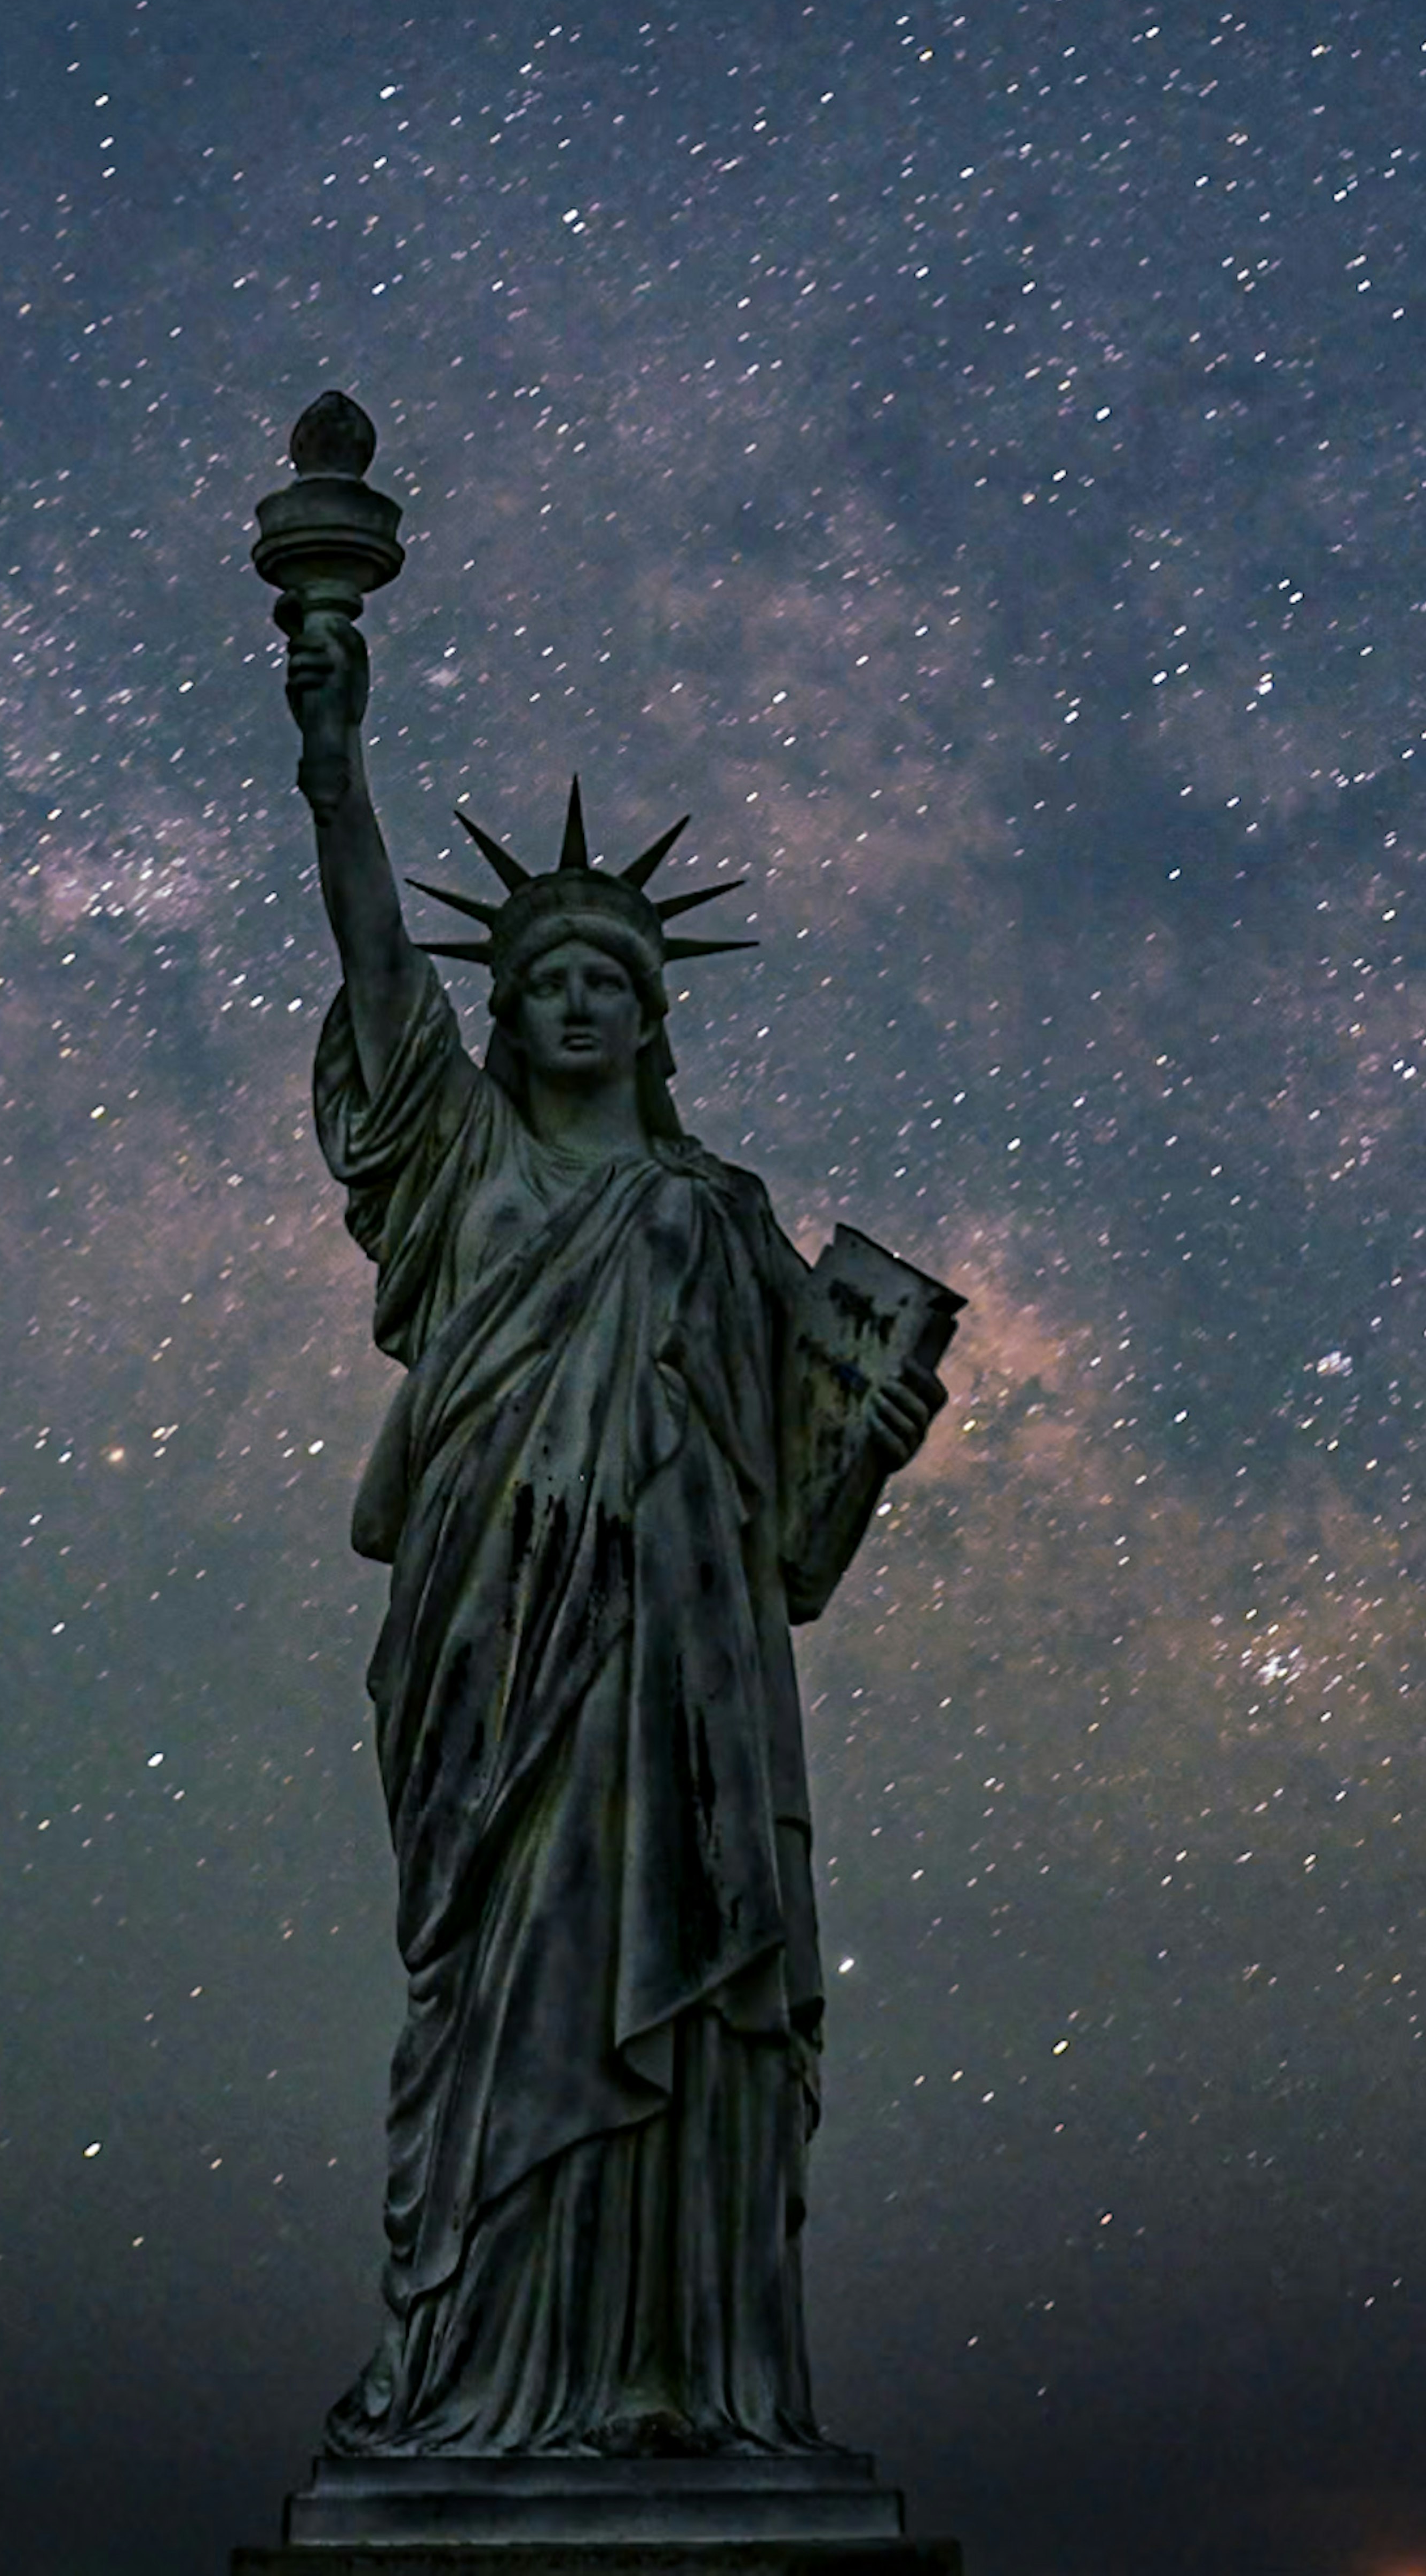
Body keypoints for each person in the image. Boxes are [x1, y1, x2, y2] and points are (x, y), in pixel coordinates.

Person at [286, 611, 941, 2459]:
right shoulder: (467, 1163)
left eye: (613, 980)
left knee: (694, 1995)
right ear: (511, 1008)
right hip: (499, 1633)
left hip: (692, 1654)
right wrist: (338, 766)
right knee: (514, 1976)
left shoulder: (720, 1213)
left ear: (653, 1020)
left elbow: (794, 1543)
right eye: (552, 973)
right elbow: (376, 969)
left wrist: (869, 1442)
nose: (580, 997)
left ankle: (682, 2381)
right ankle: (490, 2386)